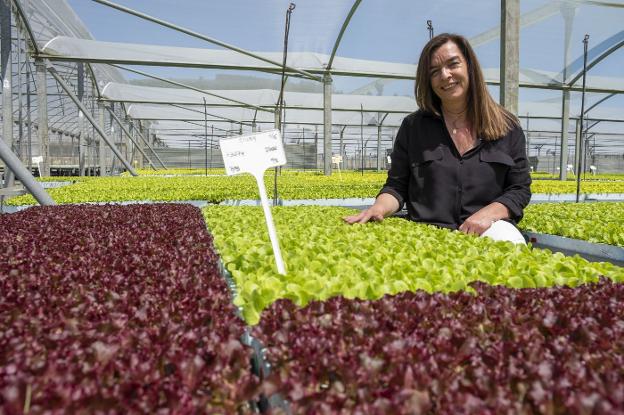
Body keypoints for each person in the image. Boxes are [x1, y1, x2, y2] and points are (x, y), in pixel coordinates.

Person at [344, 33, 531, 244]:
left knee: (510, 245)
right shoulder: (414, 127)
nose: (445, 75)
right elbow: (397, 187)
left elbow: (519, 189)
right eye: (434, 71)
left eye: (453, 64)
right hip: (427, 237)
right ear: (428, 80)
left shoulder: (507, 126)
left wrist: (489, 214)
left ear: (469, 66)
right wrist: (378, 208)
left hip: (487, 232)